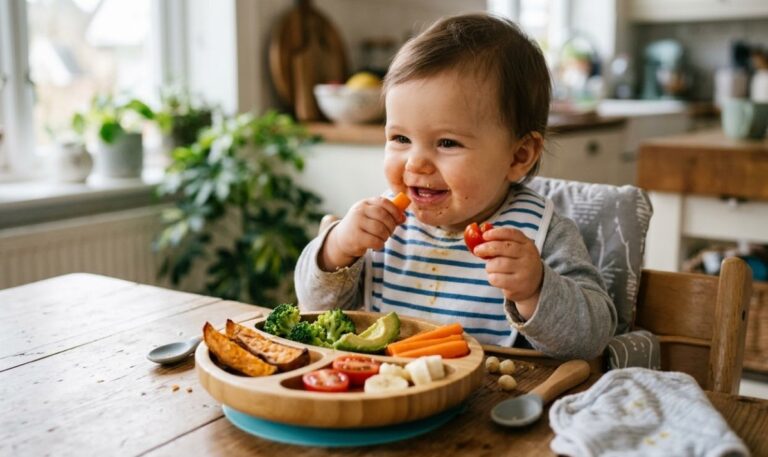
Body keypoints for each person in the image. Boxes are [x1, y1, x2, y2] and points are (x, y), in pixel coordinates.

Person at [294, 13, 616, 359]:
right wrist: (337, 249)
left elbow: (592, 339)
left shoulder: (541, 233)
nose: (415, 163)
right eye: (400, 138)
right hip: (381, 392)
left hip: (489, 398)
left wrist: (535, 288)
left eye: (447, 143)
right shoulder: (376, 228)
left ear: (518, 156)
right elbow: (312, 307)